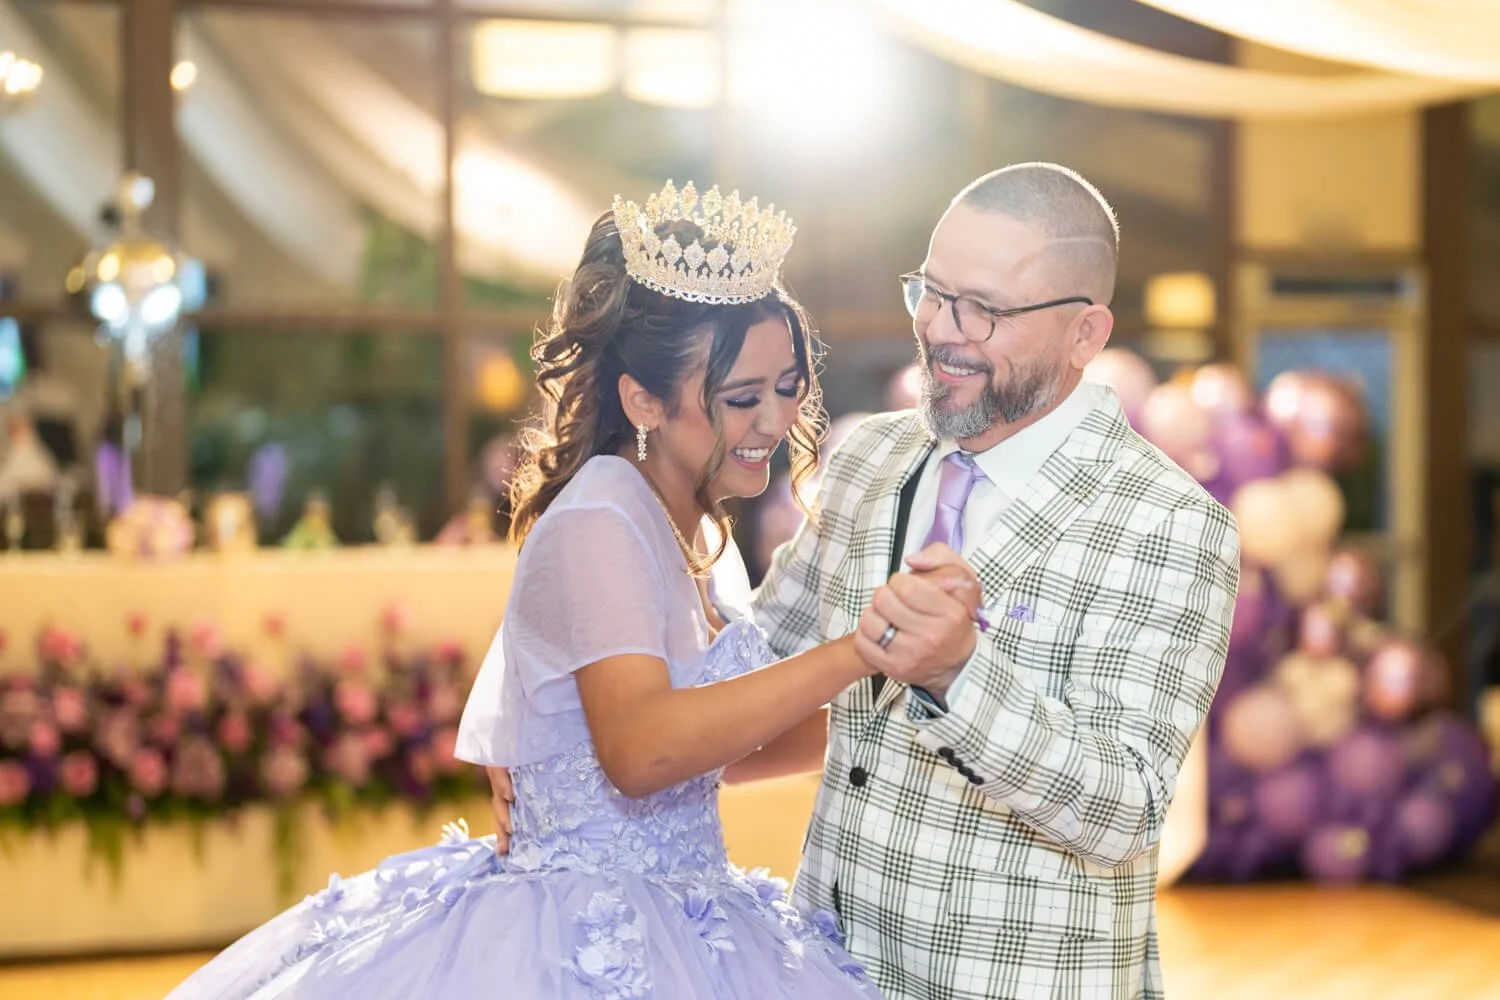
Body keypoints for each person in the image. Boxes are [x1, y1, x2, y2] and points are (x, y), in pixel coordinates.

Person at [164, 180, 980, 1000]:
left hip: (688, 915)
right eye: (741, 398)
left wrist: (908, 678)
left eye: (788, 387)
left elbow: (726, 752)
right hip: (575, 937)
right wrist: (855, 652)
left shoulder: (694, 527)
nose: (774, 422)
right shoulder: (602, 517)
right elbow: (641, 752)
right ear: (642, 399)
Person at [748, 162, 1242, 999]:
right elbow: (759, 664)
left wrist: (959, 675)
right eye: (931, 292)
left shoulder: (1172, 521)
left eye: (983, 308)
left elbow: (1125, 810)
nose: (942, 329)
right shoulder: (871, 459)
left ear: (1086, 335)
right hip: (827, 974)